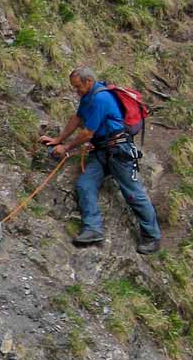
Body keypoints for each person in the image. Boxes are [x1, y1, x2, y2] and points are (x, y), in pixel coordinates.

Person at [41, 66, 161, 254]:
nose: (76, 91)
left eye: (78, 86)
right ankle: (92, 228)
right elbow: (77, 118)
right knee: (85, 184)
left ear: (89, 82)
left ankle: (152, 237)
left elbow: (88, 133)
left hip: (118, 150)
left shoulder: (100, 98)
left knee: (133, 194)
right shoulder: (88, 97)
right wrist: (58, 139)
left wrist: (66, 147)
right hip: (101, 152)